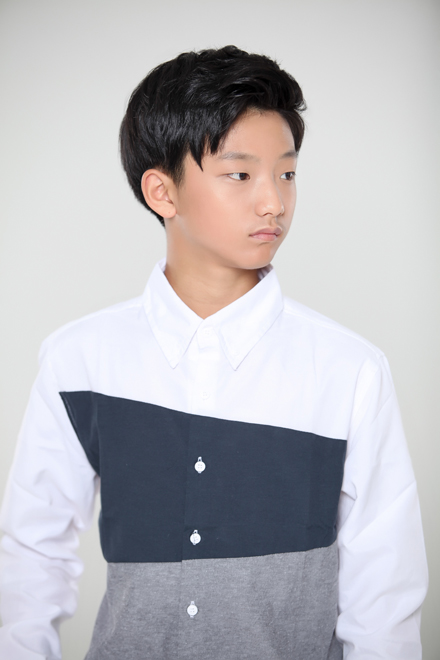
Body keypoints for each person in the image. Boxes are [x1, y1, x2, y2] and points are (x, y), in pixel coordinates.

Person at [0, 45, 428, 660]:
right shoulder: (79, 361)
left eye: (287, 173)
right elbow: (31, 558)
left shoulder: (350, 370)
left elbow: (384, 596)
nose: (274, 202)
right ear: (162, 192)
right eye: (240, 174)